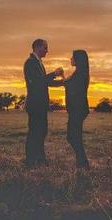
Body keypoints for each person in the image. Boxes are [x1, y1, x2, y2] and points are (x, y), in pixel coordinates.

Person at [23, 38, 63, 168]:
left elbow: (46, 82)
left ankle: (40, 159)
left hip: (41, 105)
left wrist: (64, 82)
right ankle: (30, 161)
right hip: (35, 104)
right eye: (45, 48)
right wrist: (54, 73)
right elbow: (38, 81)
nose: (47, 51)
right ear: (37, 47)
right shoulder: (30, 63)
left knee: (42, 132)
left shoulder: (39, 63)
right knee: (35, 132)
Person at [63, 50, 90, 169]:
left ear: (78, 59)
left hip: (77, 110)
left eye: (72, 57)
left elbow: (70, 87)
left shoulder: (80, 74)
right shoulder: (80, 73)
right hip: (77, 109)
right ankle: (82, 162)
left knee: (73, 137)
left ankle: (83, 162)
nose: (70, 59)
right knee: (74, 136)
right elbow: (69, 85)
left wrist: (63, 80)